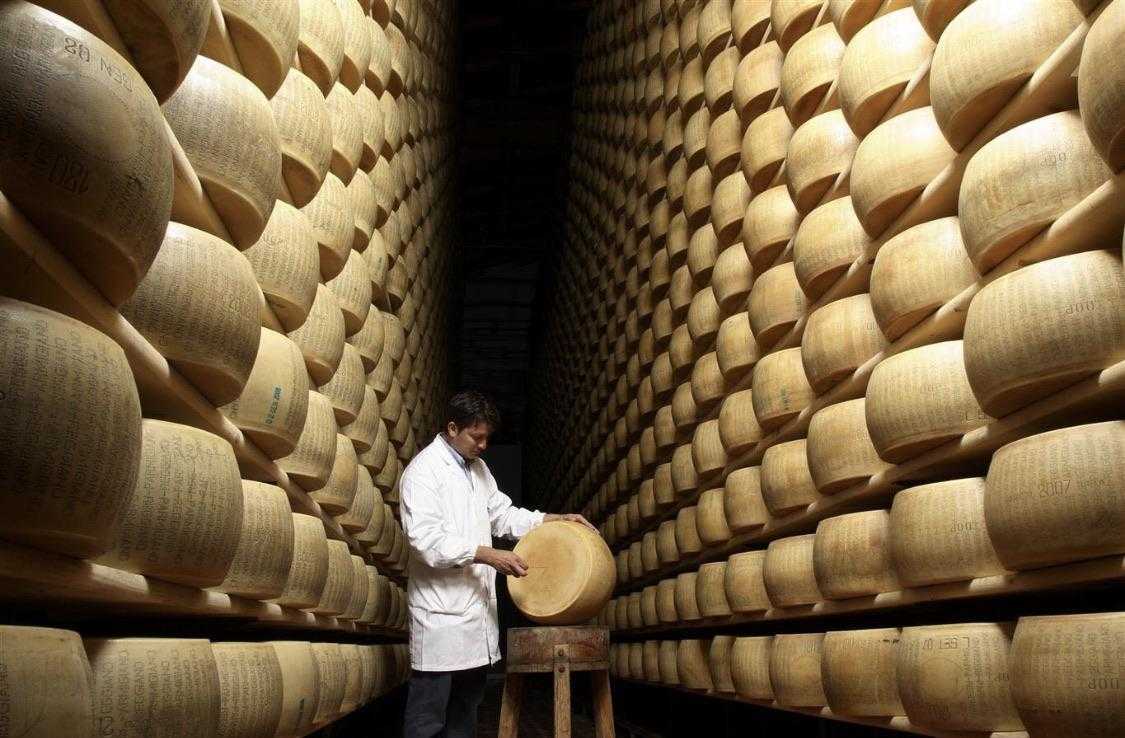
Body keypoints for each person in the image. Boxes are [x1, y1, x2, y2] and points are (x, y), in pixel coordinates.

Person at [399, 390, 596, 738]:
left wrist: (553, 519)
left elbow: (503, 516)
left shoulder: (478, 470)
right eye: (477, 437)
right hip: (440, 619)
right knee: (428, 721)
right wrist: (488, 555)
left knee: (465, 716)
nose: (484, 445)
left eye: (488, 437)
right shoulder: (423, 472)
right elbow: (425, 542)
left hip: (475, 621)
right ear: (452, 428)